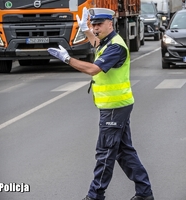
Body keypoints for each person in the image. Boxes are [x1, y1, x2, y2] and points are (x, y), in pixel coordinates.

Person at [47, 7, 154, 200]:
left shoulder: (115, 46)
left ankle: (95, 195)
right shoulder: (107, 41)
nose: (95, 29)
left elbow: (93, 69)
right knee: (123, 152)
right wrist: (85, 30)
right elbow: (97, 43)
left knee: (105, 153)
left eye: (99, 25)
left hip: (114, 108)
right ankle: (145, 193)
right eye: (93, 24)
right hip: (116, 105)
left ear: (110, 24)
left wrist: (67, 59)